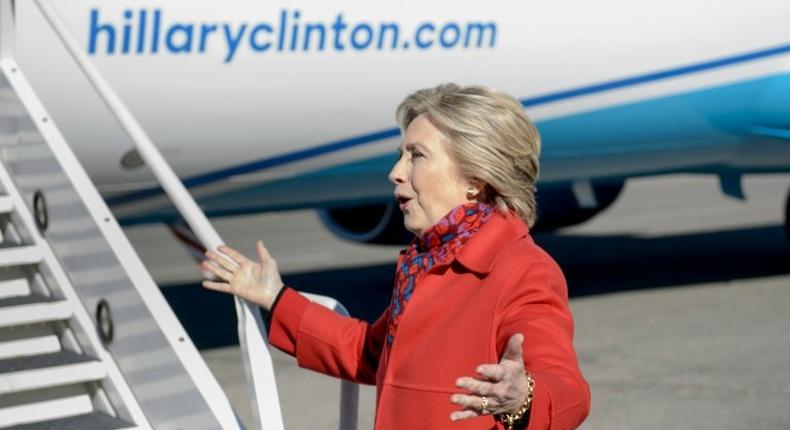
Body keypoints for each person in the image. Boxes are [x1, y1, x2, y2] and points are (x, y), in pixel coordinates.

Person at [202, 83, 590, 429]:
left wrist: (523, 399)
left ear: (475, 179)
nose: (395, 172)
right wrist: (275, 297)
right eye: (401, 155)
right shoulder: (428, 261)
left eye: (415, 156)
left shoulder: (521, 269)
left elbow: (568, 389)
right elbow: (371, 353)